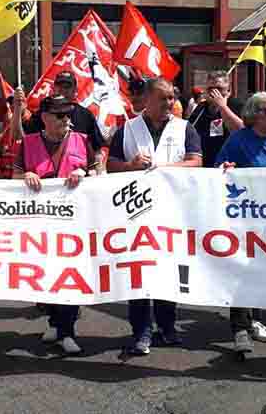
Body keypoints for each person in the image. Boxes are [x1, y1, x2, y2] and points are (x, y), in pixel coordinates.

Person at [107, 79, 202, 355]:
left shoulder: (184, 128)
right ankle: (141, 332)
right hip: (136, 214)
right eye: (163, 98)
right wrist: (130, 166)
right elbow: (111, 166)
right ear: (146, 100)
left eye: (172, 98)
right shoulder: (127, 129)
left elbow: (196, 161)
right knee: (139, 272)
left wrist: (164, 167)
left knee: (169, 271)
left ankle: (167, 327)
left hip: (173, 213)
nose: (169, 103)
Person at [14, 94, 104, 355]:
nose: (67, 119)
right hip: (40, 223)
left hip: (74, 223)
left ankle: (67, 330)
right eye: (60, 115)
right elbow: (14, 176)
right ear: (44, 118)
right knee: (46, 274)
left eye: (69, 114)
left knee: (70, 275)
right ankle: (54, 321)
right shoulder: (28, 143)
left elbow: (98, 171)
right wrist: (26, 175)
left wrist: (85, 173)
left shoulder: (81, 140)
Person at [215, 92, 266, 355]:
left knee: (262, 269)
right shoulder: (239, 140)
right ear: (254, 114)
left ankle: (254, 318)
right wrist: (226, 168)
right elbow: (218, 167)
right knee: (242, 271)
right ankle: (239, 327)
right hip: (245, 218)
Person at [23, 71, 106, 165]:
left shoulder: (86, 115)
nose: (62, 90)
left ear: (75, 90)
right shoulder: (44, 112)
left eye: (67, 87)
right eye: (59, 86)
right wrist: (18, 111)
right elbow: (23, 139)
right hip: (45, 173)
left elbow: (97, 150)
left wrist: (96, 172)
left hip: (78, 174)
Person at [188, 71, 244, 167]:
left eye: (219, 88)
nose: (214, 92)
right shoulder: (201, 107)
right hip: (206, 164)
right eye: (210, 89)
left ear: (228, 91)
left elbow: (242, 131)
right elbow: (190, 130)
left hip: (230, 165)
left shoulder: (237, 105)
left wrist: (222, 107)